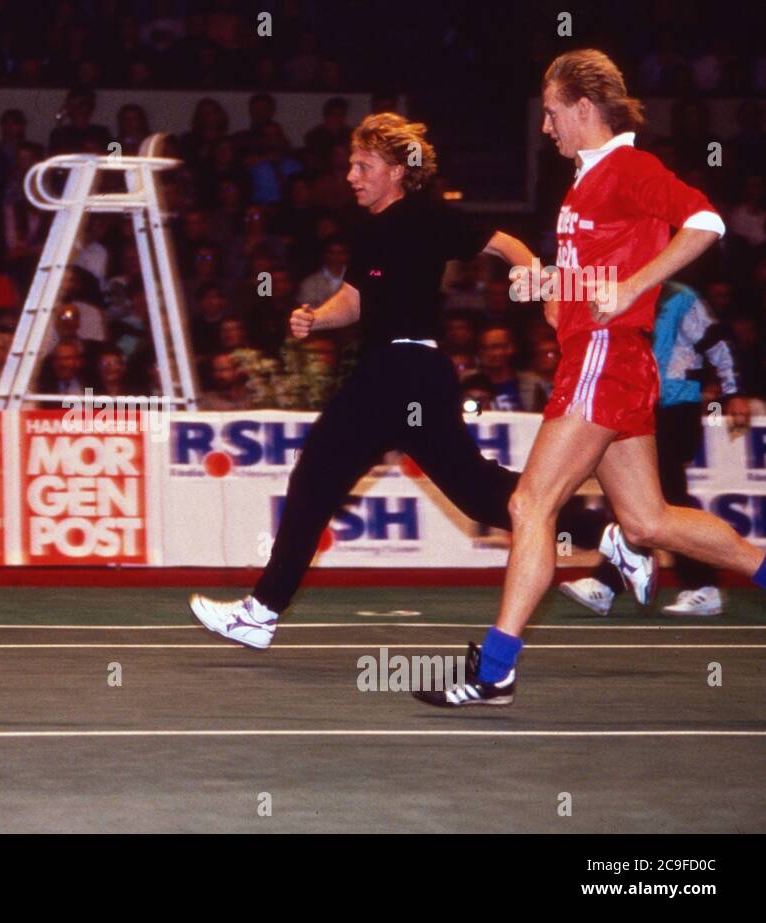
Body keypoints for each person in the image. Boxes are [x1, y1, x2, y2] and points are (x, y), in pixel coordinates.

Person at [189, 114, 626, 650]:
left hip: (398, 371)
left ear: (397, 171)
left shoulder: (424, 215)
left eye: (362, 165)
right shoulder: (368, 229)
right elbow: (353, 301)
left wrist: (545, 286)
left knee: (314, 479)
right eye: (351, 164)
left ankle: (260, 611)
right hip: (416, 379)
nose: (350, 175)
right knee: (479, 494)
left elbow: (505, 243)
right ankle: (605, 534)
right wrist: (315, 319)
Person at [416, 50, 766, 708]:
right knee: (649, 522)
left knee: (529, 505)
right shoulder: (584, 184)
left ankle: (494, 670)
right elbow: (595, 279)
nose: (545, 127)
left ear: (584, 108)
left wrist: (633, 285)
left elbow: (706, 222)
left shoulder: (628, 168)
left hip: (606, 357)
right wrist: (551, 284)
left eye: (551, 113)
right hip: (610, 359)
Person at [559, 281, 753, 617]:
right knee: (638, 499)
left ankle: (699, 584)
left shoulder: (680, 297)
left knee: (666, 500)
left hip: (674, 406)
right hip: (634, 405)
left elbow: (719, 340)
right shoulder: (618, 290)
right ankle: (612, 582)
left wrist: (734, 391)